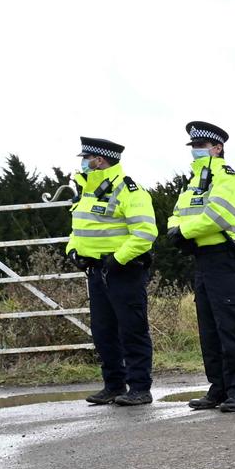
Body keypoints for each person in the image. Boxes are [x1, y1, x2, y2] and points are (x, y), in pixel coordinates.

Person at [168, 121, 235, 412]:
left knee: (231, 327)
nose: (196, 151)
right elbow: (176, 215)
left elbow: (218, 215)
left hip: (224, 258)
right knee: (209, 329)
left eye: (201, 146)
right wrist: (178, 233)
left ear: (217, 148)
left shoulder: (227, 178)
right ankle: (219, 388)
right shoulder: (193, 182)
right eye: (193, 147)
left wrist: (184, 232)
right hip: (202, 259)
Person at [66, 137, 157, 406]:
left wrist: (117, 260)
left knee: (132, 330)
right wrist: (73, 250)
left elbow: (145, 233)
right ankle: (114, 385)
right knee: (103, 331)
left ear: (100, 160)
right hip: (96, 272)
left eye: (87, 159)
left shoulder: (129, 190)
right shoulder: (88, 190)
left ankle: (140, 387)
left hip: (124, 271)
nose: (83, 163)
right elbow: (78, 229)